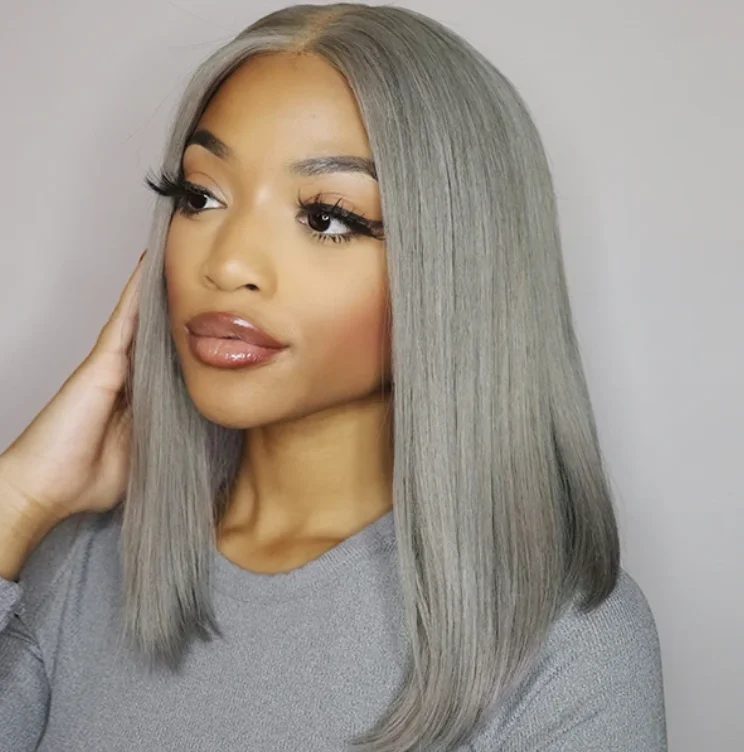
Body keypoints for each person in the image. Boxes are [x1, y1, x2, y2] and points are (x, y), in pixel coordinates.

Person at [0, 3, 667, 750]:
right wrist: (18, 502)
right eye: (200, 196)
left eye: (326, 218)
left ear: (457, 267)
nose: (227, 263)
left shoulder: (568, 647)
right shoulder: (79, 572)